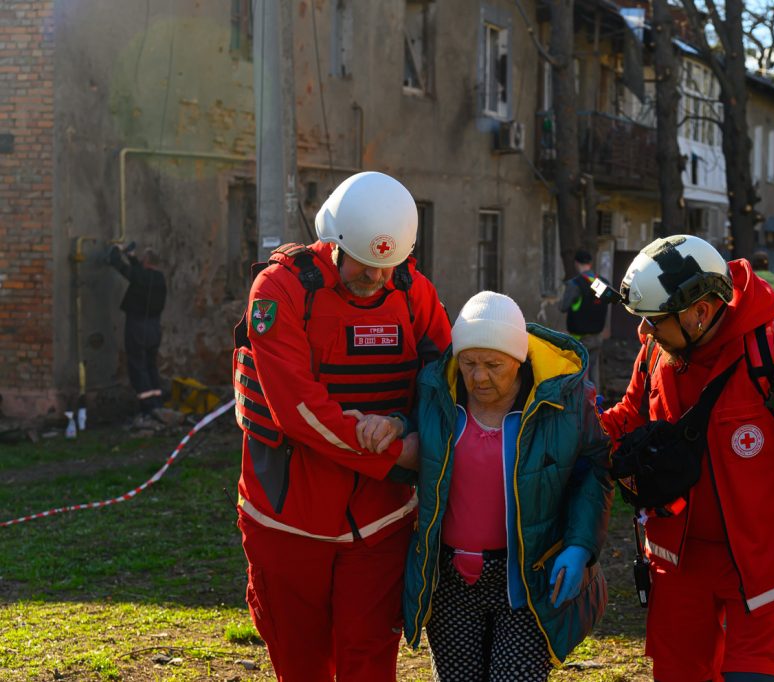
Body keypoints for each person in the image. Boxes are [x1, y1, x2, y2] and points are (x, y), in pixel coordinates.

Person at [600, 235, 774, 682]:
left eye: (653, 321)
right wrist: (568, 428)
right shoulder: (659, 350)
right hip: (678, 564)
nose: (642, 333)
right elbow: (628, 415)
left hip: (767, 567)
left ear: (699, 312)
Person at [231, 171, 452, 681]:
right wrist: (396, 453)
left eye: (387, 265)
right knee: (301, 664)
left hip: (379, 522)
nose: (377, 278)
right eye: (365, 264)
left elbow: (445, 386)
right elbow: (298, 409)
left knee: (370, 662)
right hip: (288, 519)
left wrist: (401, 423)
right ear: (332, 241)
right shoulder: (279, 288)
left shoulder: (413, 291)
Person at [403, 291, 613, 681]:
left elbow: (594, 472)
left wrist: (580, 546)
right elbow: (411, 443)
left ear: (519, 360)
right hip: (450, 580)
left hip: (529, 578)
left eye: (493, 365)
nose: (479, 376)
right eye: (469, 363)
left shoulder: (561, 404)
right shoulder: (438, 395)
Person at [107, 241, 167, 424]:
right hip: (154, 328)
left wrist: (116, 251)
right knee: (150, 365)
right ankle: (157, 404)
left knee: (137, 367)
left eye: (142, 260)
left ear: (147, 262)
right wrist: (132, 257)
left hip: (137, 326)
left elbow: (121, 268)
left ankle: (147, 409)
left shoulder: (141, 276)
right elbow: (138, 275)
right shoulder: (159, 279)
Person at [559, 249, 611, 394]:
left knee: (579, 374)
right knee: (593, 373)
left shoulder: (575, 284)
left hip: (579, 339)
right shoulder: (601, 283)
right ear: (590, 263)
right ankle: (596, 406)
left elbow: (563, 307)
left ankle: (582, 408)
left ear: (576, 263)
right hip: (597, 337)